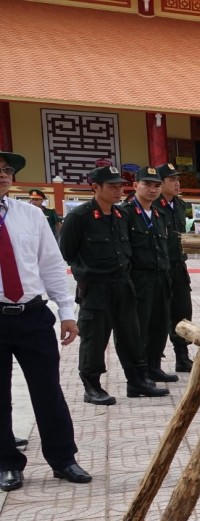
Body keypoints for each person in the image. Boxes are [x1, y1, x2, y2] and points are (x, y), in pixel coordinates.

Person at [0, 150, 91, 492]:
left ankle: (63, 458)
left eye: (7, 170)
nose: (3, 175)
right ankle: (7, 462)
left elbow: (51, 264)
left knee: (48, 390)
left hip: (33, 314)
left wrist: (66, 312)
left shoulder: (31, 215)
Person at [58, 166, 167, 404]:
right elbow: (65, 253)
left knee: (131, 335)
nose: (118, 190)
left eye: (120, 186)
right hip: (96, 288)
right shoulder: (80, 217)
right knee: (95, 338)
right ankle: (92, 386)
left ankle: (137, 381)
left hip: (123, 285)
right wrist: (84, 276)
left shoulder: (121, 215)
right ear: (95, 187)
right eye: (112, 186)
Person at [121, 166, 176, 383]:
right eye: (147, 184)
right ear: (135, 186)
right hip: (138, 279)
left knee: (159, 325)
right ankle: (138, 373)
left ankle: (154, 366)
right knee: (138, 328)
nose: (152, 189)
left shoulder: (158, 214)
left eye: (156, 185)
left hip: (161, 277)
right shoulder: (125, 213)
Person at [155, 163, 194, 372]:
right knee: (159, 315)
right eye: (172, 180)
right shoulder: (151, 205)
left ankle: (182, 356)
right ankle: (154, 363)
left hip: (178, 266)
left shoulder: (180, 205)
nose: (177, 183)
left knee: (183, 311)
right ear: (160, 184)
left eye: (177, 179)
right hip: (159, 269)